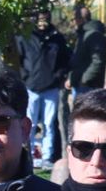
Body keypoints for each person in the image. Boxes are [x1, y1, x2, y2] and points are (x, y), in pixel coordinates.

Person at [17, 11, 71, 166]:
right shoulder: (24, 37)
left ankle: (47, 157)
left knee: (49, 124)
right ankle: (28, 157)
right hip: (30, 87)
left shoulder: (57, 38)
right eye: (39, 20)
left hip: (51, 88)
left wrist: (58, 77)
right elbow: (18, 61)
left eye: (45, 20)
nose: (42, 23)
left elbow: (65, 61)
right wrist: (25, 77)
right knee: (30, 124)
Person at [68, 8, 106, 99]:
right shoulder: (83, 34)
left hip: (88, 86)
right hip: (80, 84)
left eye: (74, 19)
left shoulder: (94, 35)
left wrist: (84, 79)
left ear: (81, 19)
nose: (73, 22)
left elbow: (97, 61)